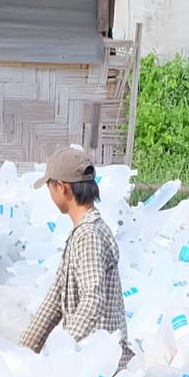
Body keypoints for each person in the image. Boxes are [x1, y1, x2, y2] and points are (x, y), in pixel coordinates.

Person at [20, 144, 127, 361]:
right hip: (85, 358)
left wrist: (64, 346)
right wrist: (23, 352)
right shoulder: (81, 232)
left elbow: (93, 298)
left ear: (62, 188)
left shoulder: (89, 235)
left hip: (99, 365)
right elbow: (55, 299)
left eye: (49, 187)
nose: (50, 194)